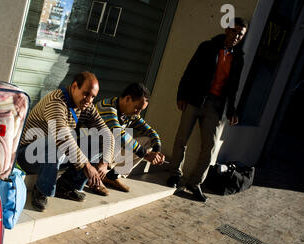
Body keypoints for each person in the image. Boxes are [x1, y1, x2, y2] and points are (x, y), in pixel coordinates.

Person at [166, 17, 248, 202]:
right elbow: (190, 70)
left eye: (240, 34)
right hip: (195, 99)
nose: (236, 36)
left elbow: (234, 87)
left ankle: (194, 183)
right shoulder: (207, 47)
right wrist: (181, 95)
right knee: (182, 137)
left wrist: (232, 110)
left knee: (210, 146)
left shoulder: (238, 58)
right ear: (227, 30)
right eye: (234, 31)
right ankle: (174, 174)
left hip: (216, 105)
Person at [16, 72, 115, 211]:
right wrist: (87, 165)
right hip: (28, 155)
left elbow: (107, 134)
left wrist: (104, 162)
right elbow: (62, 138)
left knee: (96, 142)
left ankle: (67, 186)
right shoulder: (56, 101)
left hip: (55, 155)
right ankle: (41, 190)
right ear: (74, 86)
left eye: (93, 97)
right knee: (57, 142)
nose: (89, 100)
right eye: (86, 94)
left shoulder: (85, 106)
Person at [95, 82, 165, 192]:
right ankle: (96, 176)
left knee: (147, 142)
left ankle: (111, 177)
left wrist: (156, 152)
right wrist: (146, 154)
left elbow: (151, 132)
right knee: (119, 139)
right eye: (137, 108)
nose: (138, 113)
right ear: (127, 99)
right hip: (90, 149)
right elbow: (119, 135)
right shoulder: (107, 107)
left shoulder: (131, 114)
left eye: (141, 110)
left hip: (107, 151)